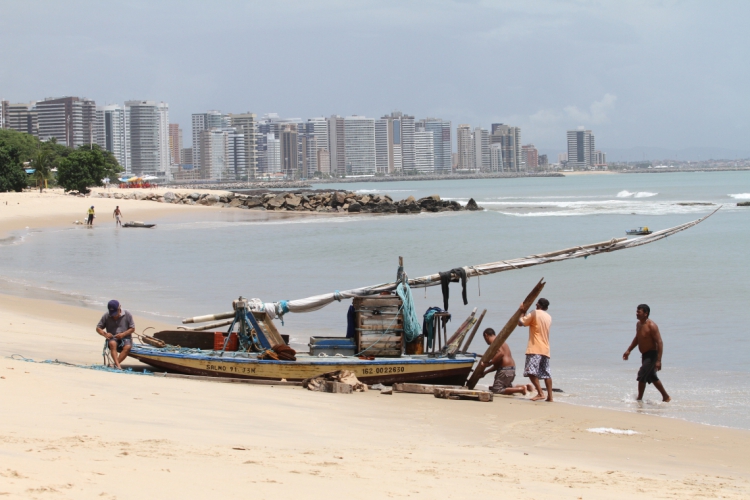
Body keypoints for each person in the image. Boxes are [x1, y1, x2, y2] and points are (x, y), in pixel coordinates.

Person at [623, 304, 671, 402]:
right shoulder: (638, 324)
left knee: (642, 375)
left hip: (652, 354)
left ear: (646, 313)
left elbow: (660, 342)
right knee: (651, 376)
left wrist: (659, 360)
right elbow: (637, 338)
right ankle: (666, 397)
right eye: (636, 311)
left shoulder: (652, 326)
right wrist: (629, 350)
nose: (636, 314)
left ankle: (639, 399)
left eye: (639, 312)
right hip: (645, 355)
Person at [476, 328, 534, 395]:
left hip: (505, 370)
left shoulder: (494, 341)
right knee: (505, 386)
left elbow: (501, 354)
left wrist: (489, 363)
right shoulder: (501, 342)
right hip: (511, 369)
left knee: (496, 389)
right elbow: (496, 366)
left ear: (486, 335)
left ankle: (521, 389)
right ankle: (526, 387)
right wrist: (485, 373)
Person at [518, 298, 553, 402]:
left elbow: (521, 323)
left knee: (530, 372)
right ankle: (550, 397)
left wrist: (522, 312)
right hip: (545, 349)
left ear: (538, 305)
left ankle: (540, 393)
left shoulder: (535, 313)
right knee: (546, 373)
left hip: (535, 348)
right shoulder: (548, 317)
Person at [96, 300, 135, 370]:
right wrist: (105, 334)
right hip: (113, 337)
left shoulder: (127, 314)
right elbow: (98, 328)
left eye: (115, 312)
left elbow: (132, 328)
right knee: (112, 344)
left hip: (125, 337)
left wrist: (123, 334)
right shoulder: (106, 315)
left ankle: (115, 364)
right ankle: (118, 365)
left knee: (128, 347)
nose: (113, 315)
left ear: (119, 307)